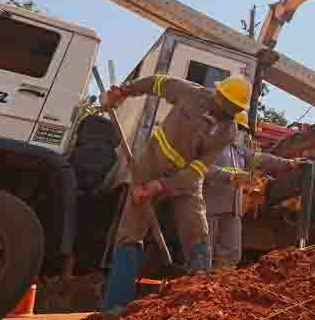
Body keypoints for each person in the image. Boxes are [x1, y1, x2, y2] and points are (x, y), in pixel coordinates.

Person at [100, 74, 251, 314]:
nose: (221, 116)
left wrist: (162, 186)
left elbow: (198, 169)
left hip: (186, 181)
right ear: (217, 95)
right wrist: (124, 92)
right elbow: (157, 82)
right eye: (222, 108)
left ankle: (199, 304)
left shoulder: (228, 131)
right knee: (131, 233)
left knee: (197, 231)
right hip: (151, 164)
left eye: (229, 113)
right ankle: (116, 306)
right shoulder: (191, 93)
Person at [204, 111, 303, 269]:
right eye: (240, 128)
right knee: (204, 254)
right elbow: (201, 168)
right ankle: (198, 285)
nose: (241, 134)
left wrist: (289, 163)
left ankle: (219, 286)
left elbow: (264, 159)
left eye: (243, 130)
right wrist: (229, 176)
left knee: (230, 255)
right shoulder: (211, 145)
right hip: (210, 208)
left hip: (232, 211)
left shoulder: (240, 151)